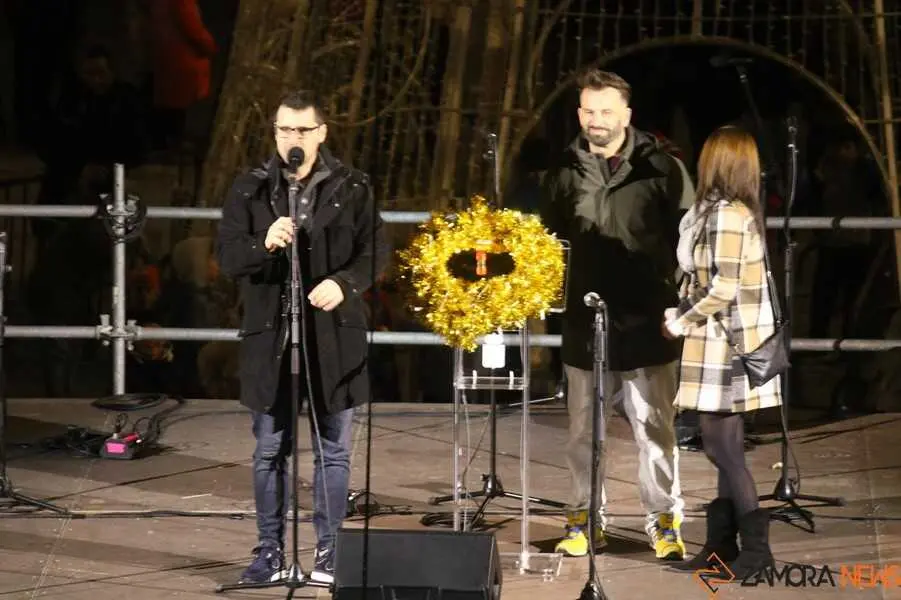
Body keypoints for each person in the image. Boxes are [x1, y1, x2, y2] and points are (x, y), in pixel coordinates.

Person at [216, 90, 390, 585]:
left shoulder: (354, 187)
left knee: (333, 450)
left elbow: (375, 251)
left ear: (322, 133)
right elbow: (228, 257)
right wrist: (262, 243)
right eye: (284, 129)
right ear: (275, 133)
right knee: (270, 449)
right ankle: (270, 550)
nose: (293, 138)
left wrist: (344, 283)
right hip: (271, 335)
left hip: (333, 337)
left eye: (302, 130)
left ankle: (330, 552)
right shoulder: (250, 188)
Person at [539, 69, 694, 561]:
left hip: (648, 320)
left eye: (606, 112)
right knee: (584, 434)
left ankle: (664, 522)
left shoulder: (662, 167)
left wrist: (681, 299)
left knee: (655, 430)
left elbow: (690, 237)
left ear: (626, 114)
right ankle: (586, 522)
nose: (596, 121)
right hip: (584, 324)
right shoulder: (562, 168)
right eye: (588, 111)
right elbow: (546, 243)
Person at [664, 125, 781, 578]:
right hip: (721, 341)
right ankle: (721, 546)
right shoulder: (720, 211)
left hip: (726, 345)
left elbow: (724, 286)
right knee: (724, 447)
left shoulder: (728, 215)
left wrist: (681, 318)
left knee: (721, 449)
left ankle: (756, 551)